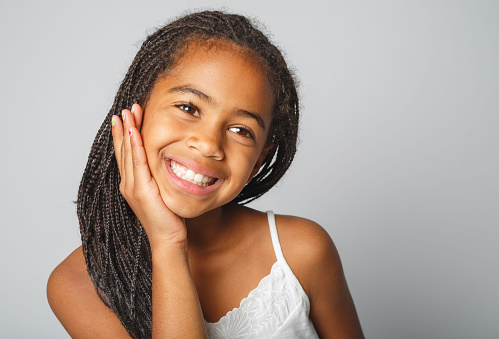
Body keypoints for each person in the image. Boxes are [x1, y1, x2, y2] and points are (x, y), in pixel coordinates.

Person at [47, 10, 364, 339]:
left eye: (241, 130)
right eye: (188, 108)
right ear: (135, 111)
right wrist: (168, 243)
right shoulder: (77, 286)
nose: (209, 143)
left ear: (257, 162)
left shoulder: (303, 252)